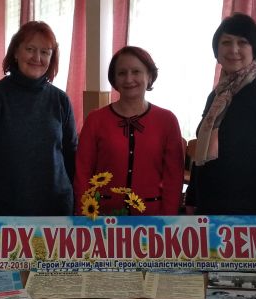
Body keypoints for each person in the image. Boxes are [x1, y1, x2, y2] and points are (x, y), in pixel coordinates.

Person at [185, 13, 256, 215]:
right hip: (208, 206)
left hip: (250, 211)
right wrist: (191, 198)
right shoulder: (216, 96)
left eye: (242, 42)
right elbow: (202, 153)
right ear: (217, 51)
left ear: (254, 49)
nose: (233, 49)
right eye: (226, 42)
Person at [0, 21, 77, 216]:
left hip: (57, 207)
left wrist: (78, 204)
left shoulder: (60, 99)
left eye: (45, 52)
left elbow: (71, 154)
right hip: (7, 207)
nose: (37, 58)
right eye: (30, 49)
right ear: (16, 52)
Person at [74, 46, 183, 215]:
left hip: (153, 218)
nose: (129, 79)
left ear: (149, 76)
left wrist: (168, 220)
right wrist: (85, 216)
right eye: (122, 73)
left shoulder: (167, 120)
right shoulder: (95, 119)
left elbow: (173, 177)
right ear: (114, 79)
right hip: (101, 216)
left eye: (136, 72)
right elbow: (82, 172)